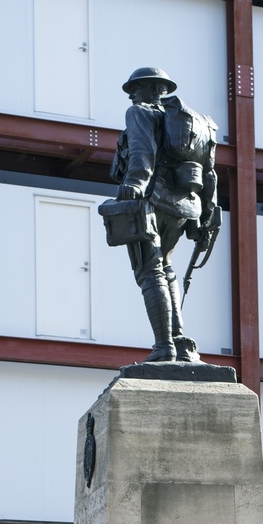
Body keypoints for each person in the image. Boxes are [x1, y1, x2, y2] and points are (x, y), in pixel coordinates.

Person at [105, 66, 219, 364]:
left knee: (148, 269)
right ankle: (179, 341)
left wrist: (133, 184)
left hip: (152, 200)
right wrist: (206, 216)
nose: (131, 95)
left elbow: (143, 151)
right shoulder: (191, 124)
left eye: (134, 89)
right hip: (184, 206)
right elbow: (209, 174)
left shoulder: (139, 113)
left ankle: (163, 345)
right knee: (166, 268)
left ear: (144, 89)